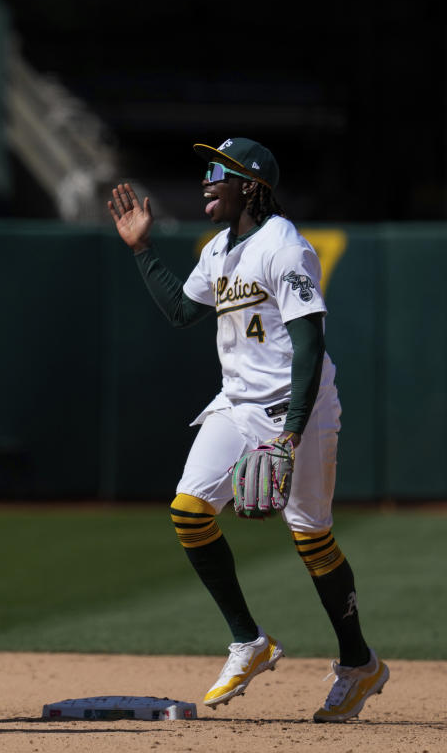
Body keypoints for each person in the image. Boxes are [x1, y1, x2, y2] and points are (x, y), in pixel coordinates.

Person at [108, 137, 389, 722]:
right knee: (188, 511)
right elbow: (185, 312)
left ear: (252, 186)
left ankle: (359, 663)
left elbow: (311, 347)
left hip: (297, 410)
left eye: (220, 171)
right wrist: (141, 250)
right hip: (237, 407)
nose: (207, 180)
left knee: (311, 538)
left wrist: (289, 433)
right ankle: (249, 641)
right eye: (208, 169)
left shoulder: (285, 249)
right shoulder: (219, 251)